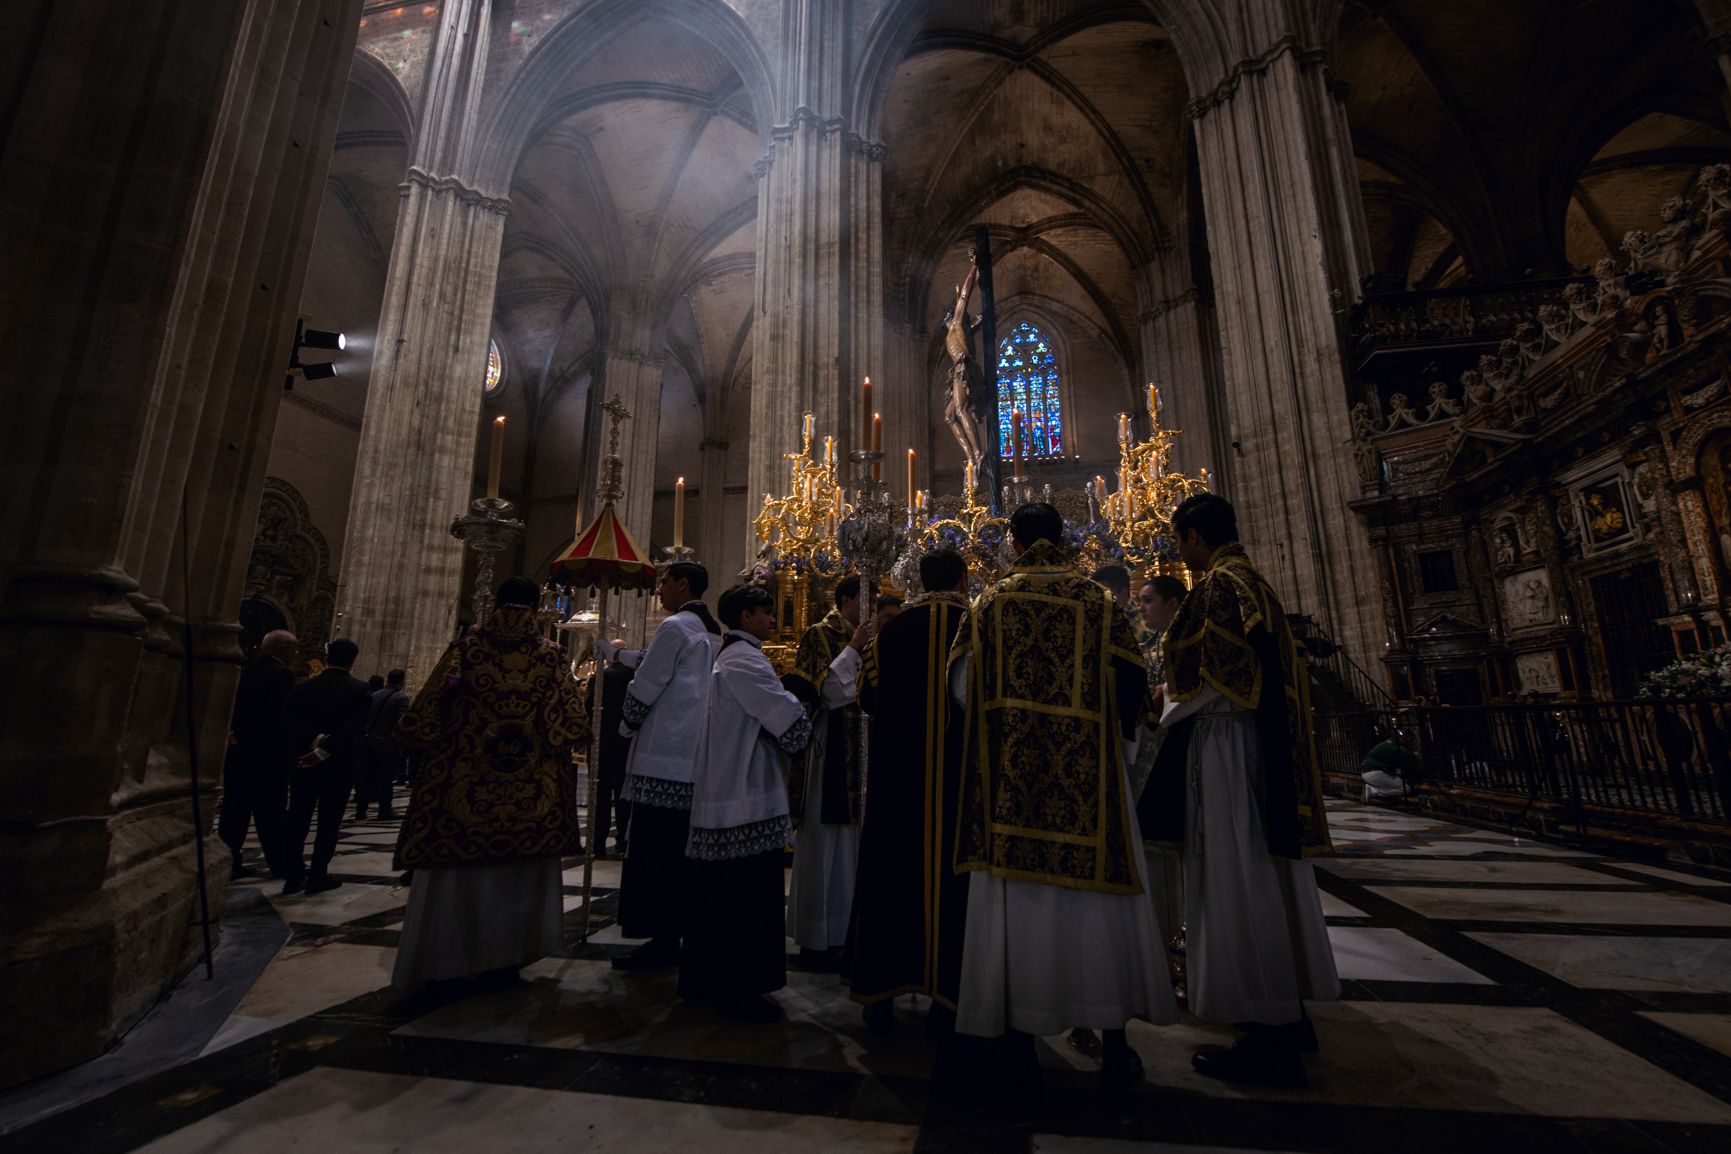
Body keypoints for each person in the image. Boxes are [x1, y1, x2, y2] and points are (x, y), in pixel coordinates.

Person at [950, 503, 1175, 1098]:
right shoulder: (1100, 604)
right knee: (1099, 912)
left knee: (1020, 910)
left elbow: (964, 687)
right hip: (1091, 784)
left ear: (1016, 547)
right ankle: (1116, 1047)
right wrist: (1114, 755)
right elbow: (1132, 692)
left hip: (1011, 789)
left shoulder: (990, 604)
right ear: (1064, 540)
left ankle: (1020, 1043)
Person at [1145, 492, 1340, 1088]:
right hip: (1253, 747)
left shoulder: (1217, 587)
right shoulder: (1253, 582)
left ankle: (1268, 1029)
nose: (1179, 551)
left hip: (1226, 748)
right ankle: (1288, 1012)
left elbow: (1213, 675)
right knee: (1264, 876)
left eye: (1180, 539)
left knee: (1235, 876)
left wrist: (1161, 707)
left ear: (1196, 535)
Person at [392, 577, 587, 989]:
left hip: (464, 790)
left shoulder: (466, 650)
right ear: (537, 608)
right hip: (528, 794)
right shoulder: (549, 657)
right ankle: (506, 957)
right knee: (514, 874)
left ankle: (448, 957)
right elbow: (571, 725)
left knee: (458, 876)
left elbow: (423, 717)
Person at [847, 548, 971, 1032]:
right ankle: (955, 992)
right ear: (962, 580)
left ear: (918, 581)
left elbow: (868, 697)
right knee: (954, 878)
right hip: (960, 777)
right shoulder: (977, 623)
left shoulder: (890, 631)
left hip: (899, 777)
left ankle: (882, 991)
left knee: (893, 870)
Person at [680, 584, 812, 1021]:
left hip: (733, 792)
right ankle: (738, 987)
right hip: (744, 795)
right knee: (745, 900)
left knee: (726, 896)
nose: (772, 620)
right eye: (764, 613)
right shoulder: (743, 661)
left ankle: (718, 980)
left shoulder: (737, 657)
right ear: (745, 616)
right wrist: (801, 701)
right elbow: (787, 717)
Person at [608, 562, 722, 971]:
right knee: (681, 852)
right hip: (695, 756)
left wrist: (626, 722)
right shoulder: (712, 631)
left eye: (664, 581)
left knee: (654, 852)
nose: (659, 590)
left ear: (682, 584)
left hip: (663, 757)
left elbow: (648, 683)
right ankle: (683, 928)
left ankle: (659, 939)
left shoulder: (676, 627)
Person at [784, 574, 872, 966]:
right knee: (825, 845)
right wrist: (854, 648)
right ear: (848, 600)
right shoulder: (820, 635)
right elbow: (827, 693)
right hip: (830, 750)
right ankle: (817, 934)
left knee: (854, 847)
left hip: (865, 748)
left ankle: (848, 933)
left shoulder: (871, 638)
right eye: (863, 602)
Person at [284, 638, 372, 894]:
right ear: (353, 659)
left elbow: (290, 722)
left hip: (304, 761)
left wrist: (315, 742)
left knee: (298, 817)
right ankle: (318, 874)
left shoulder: (302, 688)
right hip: (339, 764)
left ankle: (293, 875)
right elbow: (355, 728)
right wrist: (326, 749)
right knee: (329, 821)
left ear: (327, 657)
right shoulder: (359, 689)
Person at [220, 629, 301, 883]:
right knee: (272, 814)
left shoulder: (244, 670)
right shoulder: (282, 676)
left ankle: (228, 860)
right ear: (286, 650)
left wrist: (234, 734)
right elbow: (277, 717)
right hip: (266, 756)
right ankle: (282, 866)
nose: (296, 655)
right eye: (295, 650)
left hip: (236, 753)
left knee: (234, 810)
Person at [595, 641, 635, 857]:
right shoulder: (634, 676)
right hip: (626, 742)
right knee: (624, 795)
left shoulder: (601, 677)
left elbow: (590, 708)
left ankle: (598, 843)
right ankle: (623, 840)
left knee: (601, 796)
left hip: (603, 741)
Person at [356, 668, 409, 820]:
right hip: (387, 745)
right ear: (401, 682)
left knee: (367, 776)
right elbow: (403, 723)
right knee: (385, 778)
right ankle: (384, 809)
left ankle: (361, 809)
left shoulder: (374, 695)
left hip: (369, 742)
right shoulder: (400, 698)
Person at [1360, 719, 1419, 801]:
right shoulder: (1399, 748)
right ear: (1406, 738)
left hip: (1367, 772)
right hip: (1376, 773)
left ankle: (1373, 790)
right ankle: (1373, 791)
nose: (1411, 743)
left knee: (1399, 783)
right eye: (1411, 740)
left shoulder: (1389, 742)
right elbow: (1409, 765)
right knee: (1405, 788)